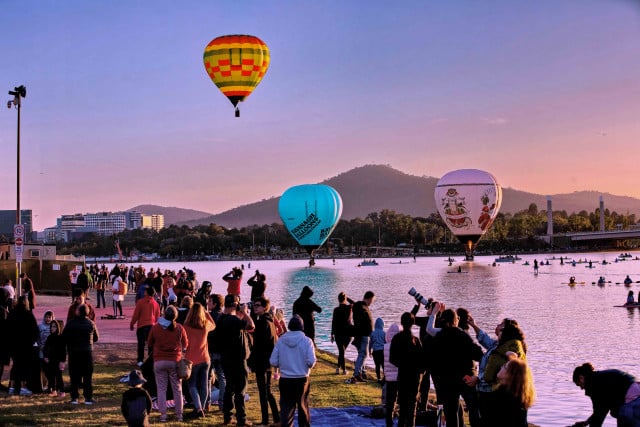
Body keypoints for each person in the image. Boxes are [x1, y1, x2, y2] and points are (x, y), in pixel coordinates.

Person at [466, 315, 527, 427]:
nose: (498, 326)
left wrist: (478, 378)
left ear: (507, 331)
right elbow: (486, 340)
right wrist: (474, 326)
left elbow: (500, 373)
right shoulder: (499, 344)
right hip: (485, 391)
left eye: (501, 325)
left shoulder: (509, 348)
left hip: (492, 393)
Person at [429, 307, 484, 427]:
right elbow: (478, 354)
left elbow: (432, 359)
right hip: (466, 377)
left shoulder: (438, 337)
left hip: (447, 380)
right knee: (473, 408)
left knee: (451, 413)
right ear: (456, 320)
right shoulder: (462, 336)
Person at [270, 315, 317, 427]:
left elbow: (273, 361)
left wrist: (283, 364)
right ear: (302, 327)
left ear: (289, 327)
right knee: (303, 407)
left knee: (286, 409)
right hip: (302, 379)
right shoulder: (307, 341)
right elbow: (311, 361)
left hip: (286, 379)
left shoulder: (281, 341)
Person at [218, 294, 255, 427]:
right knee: (240, 389)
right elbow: (251, 326)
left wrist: (240, 315)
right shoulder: (233, 321)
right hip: (238, 359)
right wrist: (245, 313)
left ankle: (227, 417)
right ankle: (242, 419)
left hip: (226, 358)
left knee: (230, 388)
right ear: (235, 304)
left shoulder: (222, 319)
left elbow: (236, 325)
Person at [147, 305, 188, 422]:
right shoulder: (179, 328)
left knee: (161, 389)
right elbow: (185, 344)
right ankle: (179, 414)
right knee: (177, 388)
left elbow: (149, 342)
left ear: (164, 314)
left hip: (159, 361)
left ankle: (163, 415)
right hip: (175, 361)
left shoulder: (156, 328)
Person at [571, 362, 640, 426]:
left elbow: (600, 414)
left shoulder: (594, 385)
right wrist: (587, 422)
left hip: (633, 401)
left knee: (621, 414)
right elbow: (601, 410)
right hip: (635, 396)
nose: (581, 388)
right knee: (616, 412)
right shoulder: (598, 377)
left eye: (579, 384)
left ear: (581, 378)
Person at [249, 296, 280, 426]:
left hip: (262, 361)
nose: (255, 307)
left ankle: (266, 421)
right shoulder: (270, 321)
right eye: (254, 305)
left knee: (263, 392)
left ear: (264, 307)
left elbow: (258, 345)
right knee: (267, 391)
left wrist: (251, 362)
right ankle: (277, 419)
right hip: (267, 360)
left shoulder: (263, 322)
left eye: (257, 305)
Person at [390, 312, 424, 427]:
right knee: (412, 407)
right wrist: (420, 372)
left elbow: (392, 359)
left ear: (401, 323)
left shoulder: (397, 339)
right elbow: (422, 360)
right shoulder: (416, 341)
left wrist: (402, 364)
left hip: (403, 374)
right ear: (412, 324)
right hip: (414, 376)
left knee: (403, 406)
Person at [184, 302, 215, 419]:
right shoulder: (206, 325)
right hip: (205, 358)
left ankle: (198, 408)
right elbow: (214, 324)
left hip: (192, 359)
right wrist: (207, 313)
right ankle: (201, 407)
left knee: (192, 385)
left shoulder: (186, 326)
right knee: (204, 385)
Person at [63, 303, 99, 404]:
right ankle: (88, 398)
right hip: (87, 352)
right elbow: (96, 337)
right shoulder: (91, 323)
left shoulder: (71, 323)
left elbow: (64, 337)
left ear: (78, 312)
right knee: (87, 376)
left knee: (74, 376)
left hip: (74, 352)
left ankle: (74, 397)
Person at [6, 295, 39, 396]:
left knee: (15, 366)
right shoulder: (28, 314)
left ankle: (12, 386)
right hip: (25, 346)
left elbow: (7, 330)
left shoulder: (12, 313)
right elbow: (35, 330)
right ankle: (23, 386)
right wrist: (32, 342)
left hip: (14, 345)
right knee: (24, 366)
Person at [492, 355, 535, 427]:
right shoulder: (519, 394)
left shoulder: (505, 396)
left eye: (504, 366)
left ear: (511, 374)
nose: (501, 367)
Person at [130, 285, 161, 367]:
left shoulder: (140, 302)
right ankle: (151, 360)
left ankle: (140, 360)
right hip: (152, 326)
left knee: (141, 344)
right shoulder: (156, 304)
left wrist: (132, 323)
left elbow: (136, 315)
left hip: (142, 326)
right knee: (151, 345)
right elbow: (158, 317)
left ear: (147, 292)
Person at [350, 291, 375, 384]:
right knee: (363, 354)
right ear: (369, 298)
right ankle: (356, 374)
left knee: (363, 354)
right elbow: (361, 320)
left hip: (363, 334)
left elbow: (354, 304)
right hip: (363, 334)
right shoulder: (362, 308)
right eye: (372, 300)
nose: (371, 302)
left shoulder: (359, 306)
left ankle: (360, 373)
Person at [207, 293, 226, 409]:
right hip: (221, 351)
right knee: (221, 376)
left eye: (210, 301)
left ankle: (207, 402)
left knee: (208, 377)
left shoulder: (209, 317)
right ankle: (222, 402)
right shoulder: (224, 317)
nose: (208, 303)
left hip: (210, 350)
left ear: (214, 304)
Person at [331, 291, 353, 375]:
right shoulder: (349, 308)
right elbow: (355, 303)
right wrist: (348, 299)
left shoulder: (336, 310)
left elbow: (333, 322)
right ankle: (343, 370)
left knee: (341, 351)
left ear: (338, 299)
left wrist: (332, 334)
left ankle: (338, 368)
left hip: (338, 333)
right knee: (342, 351)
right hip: (348, 333)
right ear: (345, 299)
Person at [383, 322, 401, 427]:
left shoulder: (385, 347)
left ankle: (389, 421)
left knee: (390, 401)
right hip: (399, 377)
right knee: (401, 400)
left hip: (389, 378)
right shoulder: (400, 346)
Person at [43, 319, 66, 397]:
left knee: (59, 376)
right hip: (51, 360)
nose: (52, 328)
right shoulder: (49, 337)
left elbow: (63, 351)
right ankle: (53, 390)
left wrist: (63, 361)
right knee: (51, 376)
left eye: (54, 327)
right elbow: (45, 348)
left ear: (58, 328)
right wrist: (45, 356)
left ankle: (62, 391)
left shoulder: (61, 338)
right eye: (51, 327)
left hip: (58, 360)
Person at [370, 317, 386, 382]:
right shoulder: (384, 333)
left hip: (375, 351)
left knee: (377, 365)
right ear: (382, 324)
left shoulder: (373, 333)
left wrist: (369, 351)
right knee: (383, 365)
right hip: (382, 351)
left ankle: (378, 377)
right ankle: (385, 377)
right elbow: (386, 342)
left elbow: (371, 343)